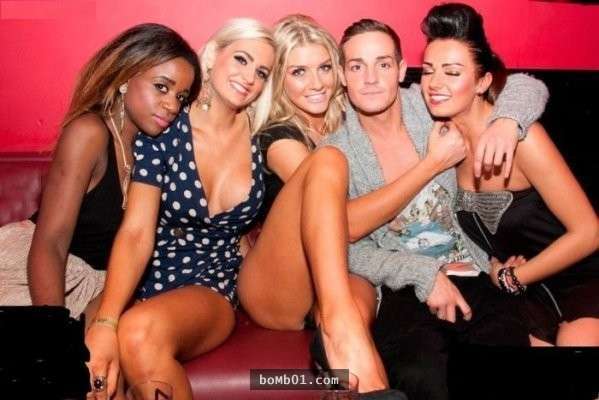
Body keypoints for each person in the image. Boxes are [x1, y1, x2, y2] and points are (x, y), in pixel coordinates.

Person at [238, 14, 547, 397]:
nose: (370, 78)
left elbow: (522, 85)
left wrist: (506, 121)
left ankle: (345, 347)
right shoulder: (329, 148)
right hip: (371, 284)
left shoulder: (430, 105)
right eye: (357, 66)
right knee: (422, 374)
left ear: (401, 70)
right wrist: (432, 166)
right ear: (346, 76)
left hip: (468, 273)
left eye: (383, 64)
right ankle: (338, 333)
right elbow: (342, 234)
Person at [84, 19, 275, 400]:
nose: (249, 77)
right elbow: (137, 232)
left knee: (137, 332)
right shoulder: (166, 127)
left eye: (261, 72)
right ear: (213, 56)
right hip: (144, 278)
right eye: (241, 59)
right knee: (95, 363)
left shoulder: (264, 138)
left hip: (210, 287)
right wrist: (106, 320)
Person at [419, 3, 599, 346]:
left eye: (452, 72)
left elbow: (589, 232)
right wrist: (496, 271)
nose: (435, 83)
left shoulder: (522, 137)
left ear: (482, 81)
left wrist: (514, 277)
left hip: (579, 279)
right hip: (521, 296)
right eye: (428, 71)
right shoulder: (443, 143)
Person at [0, 23, 201, 321]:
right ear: (125, 77)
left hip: (102, 287)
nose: (172, 105)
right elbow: (52, 242)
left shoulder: (155, 149)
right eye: (161, 86)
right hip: (42, 278)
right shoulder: (89, 132)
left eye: (181, 97)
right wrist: (53, 329)